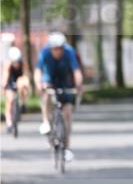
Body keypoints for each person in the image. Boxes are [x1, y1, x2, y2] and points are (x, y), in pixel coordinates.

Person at [35, 32, 84, 161]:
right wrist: (38, 84)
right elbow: (38, 71)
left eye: (60, 48)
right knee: (47, 96)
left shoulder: (69, 52)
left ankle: (66, 147)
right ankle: (46, 121)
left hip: (64, 81)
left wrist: (79, 85)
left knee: (67, 112)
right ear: (51, 48)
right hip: (49, 80)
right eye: (55, 49)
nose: (58, 51)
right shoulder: (44, 53)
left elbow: (76, 71)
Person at [3, 46, 30, 134]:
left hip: (19, 79)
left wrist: (26, 85)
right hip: (10, 81)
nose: (16, 64)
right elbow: (5, 77)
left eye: (17, 61)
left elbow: (25, 75)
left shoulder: (22, 63)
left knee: (22, 86)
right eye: (14, 62)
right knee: (10, 100)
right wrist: (4, 86)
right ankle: (9, 122)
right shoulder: (8, 65)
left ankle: (22, 103)